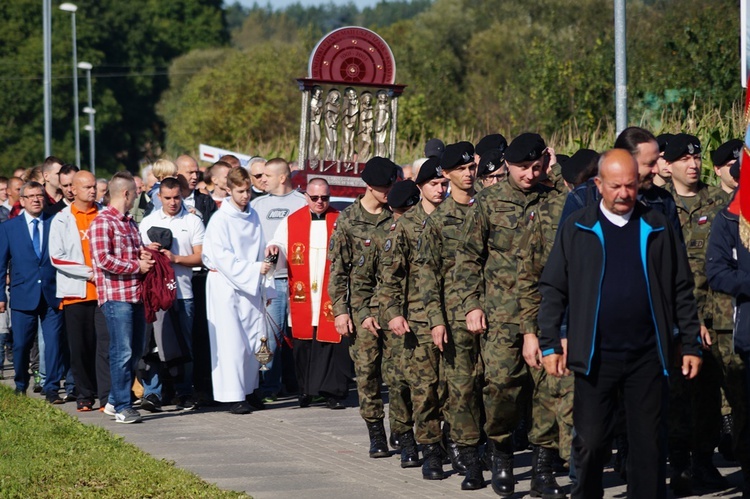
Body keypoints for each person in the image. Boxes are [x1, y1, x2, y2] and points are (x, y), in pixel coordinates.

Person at [538, 149, 702, 499]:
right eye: (615, 186)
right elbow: (554, 287)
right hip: (596, 357)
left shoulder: (656, 226)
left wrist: (690, 343)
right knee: (592, 442)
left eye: (630, 185)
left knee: (648, 448)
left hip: (647, 356)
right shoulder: (578, 227)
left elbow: (681, 287)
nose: (624, 193)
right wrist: (550, 341)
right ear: (599, 185)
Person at [455, 134, 555, 496]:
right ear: (507, 165)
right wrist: (471, 303)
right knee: (500, 388)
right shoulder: (489, 202)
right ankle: (501, 454)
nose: (530, 174)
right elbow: (467, 257)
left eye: (536, 166)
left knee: (548, 390)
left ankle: (544, 466)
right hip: (500, 317)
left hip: (547, 313)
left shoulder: (555, 201)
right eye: (522, 167)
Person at [660, 132, 731, 494]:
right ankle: (680, 464)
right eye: (684, 159)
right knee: (677, 395)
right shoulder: (659, 205)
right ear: (666, 165)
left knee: (710, 394)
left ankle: (704, 460)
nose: (692, 164)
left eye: (696, 158)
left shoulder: (720, 202)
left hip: (719, 317)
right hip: (678, 317)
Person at [419, 142, 486, 490]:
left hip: (494, 317)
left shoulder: (489, 210)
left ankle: (490, 446)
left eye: (471, 167)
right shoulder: (438, 221)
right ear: (446, 175)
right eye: (460, 169)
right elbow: (427, 276)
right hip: (455, 318)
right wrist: (436, 320)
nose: (468, 173)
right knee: (460, 390)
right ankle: (469, 457)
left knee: (493, 387)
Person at [379, 158, 450, 477]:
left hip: (453, 317)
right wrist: (393, 314)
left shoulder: (457, 218)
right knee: (423, 388)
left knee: (453, 388)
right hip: (417, 321)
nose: (440, 189)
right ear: (420, 187)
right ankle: (430, 450)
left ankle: (457, 445)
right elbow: (390, 277)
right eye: (433, 184)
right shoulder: (406, 225)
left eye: (443, 183)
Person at [328, 156, 400, 457]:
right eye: (383, 188)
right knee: (367, 372)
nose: (387, 192)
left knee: (397, 373)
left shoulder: (397, 214)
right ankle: (375, 432)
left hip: (393, 308)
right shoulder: (348, 220)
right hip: (360, 310)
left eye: (390, 186)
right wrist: (340, 310)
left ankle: (401, 430)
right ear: (369, 186)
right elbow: (337, 270)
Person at [267, 178, 351, 409]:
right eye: (314, 198)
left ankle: (333, 393)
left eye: (325, 198)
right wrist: (275, 249)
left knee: (332, 341)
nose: (320, 202)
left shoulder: (340, 220)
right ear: (306, 196)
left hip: (330, 292)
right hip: (304, 293)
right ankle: (305, 391)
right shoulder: (292, 221)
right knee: (304, 343)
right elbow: (279, 244)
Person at [202, 167, 275, 415]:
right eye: (241, 191)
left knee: (252, 337)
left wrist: (264, 277)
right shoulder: (220, 220)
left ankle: (249, 388)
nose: (246, 196)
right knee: (231, 341)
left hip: (250, 283)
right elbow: (222, 258)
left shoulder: (252, 215)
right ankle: (232, 395)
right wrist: (255, 268)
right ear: (229, 190)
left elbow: (259, 248)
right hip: (226, 285)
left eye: (248, 191)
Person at [90, 172, 155, 424]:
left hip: (135, 295)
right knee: (122, 351)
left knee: (135, 350)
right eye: (135, 194)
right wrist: (136, 267)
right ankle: (123, 406)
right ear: (126, 194)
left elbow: (136, 250)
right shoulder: (102, 221)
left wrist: (147, 256)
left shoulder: (129, 222)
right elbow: (103, 260)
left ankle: (114, 401)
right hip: (115, 297)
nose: (137, 197)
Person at [139, 177, 205, 412]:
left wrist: (176, 259)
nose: (173, 202)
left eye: (177, 197)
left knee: (184, 345)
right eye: (167, 198)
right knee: (154, 345)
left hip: (183, 293)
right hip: (157, 294)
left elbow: (201, 256)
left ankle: (184, 391)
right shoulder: (148, 222)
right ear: (159, 197)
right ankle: (153, 393)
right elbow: (140, 258)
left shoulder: (193, 221)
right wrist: (148, 252)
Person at [49, 171, 110, 412]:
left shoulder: (104, 215)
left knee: (104, 346)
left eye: (94, 186)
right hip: (76, 293)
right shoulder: (62, 219)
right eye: (86, 187)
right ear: (72, 189)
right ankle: (84, 394)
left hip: (104, 292)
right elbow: (57, 257)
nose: (92, 191)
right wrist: (89, 272)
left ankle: (107, 396)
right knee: (80, 347)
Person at [0, 181, 65, 403]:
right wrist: (0, 295)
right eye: (31, 196)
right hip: (22, 294)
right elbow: (1, 264)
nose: (36, 199)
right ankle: (20, 384)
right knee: (21, 344)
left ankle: (52, 387)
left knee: (54, 342)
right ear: (23, 200)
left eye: (40, 195)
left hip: (51, 293)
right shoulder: (9, 228)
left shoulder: (55, 222)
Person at [251, 158, 307, 403]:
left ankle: (300, 384)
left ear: (282, 177)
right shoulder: (258, 205)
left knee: (299, 334)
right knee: (271, 336)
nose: (262, 180)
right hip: (271, 281)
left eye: (267, 176)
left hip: (299, 280)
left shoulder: (303, 202)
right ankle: (269, 386)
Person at [175, 154, 217, 225]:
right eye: (190, 172)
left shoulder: (206, 201)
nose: (195, 177)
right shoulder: (166, 200)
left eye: (197, 173)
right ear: (177, 174)